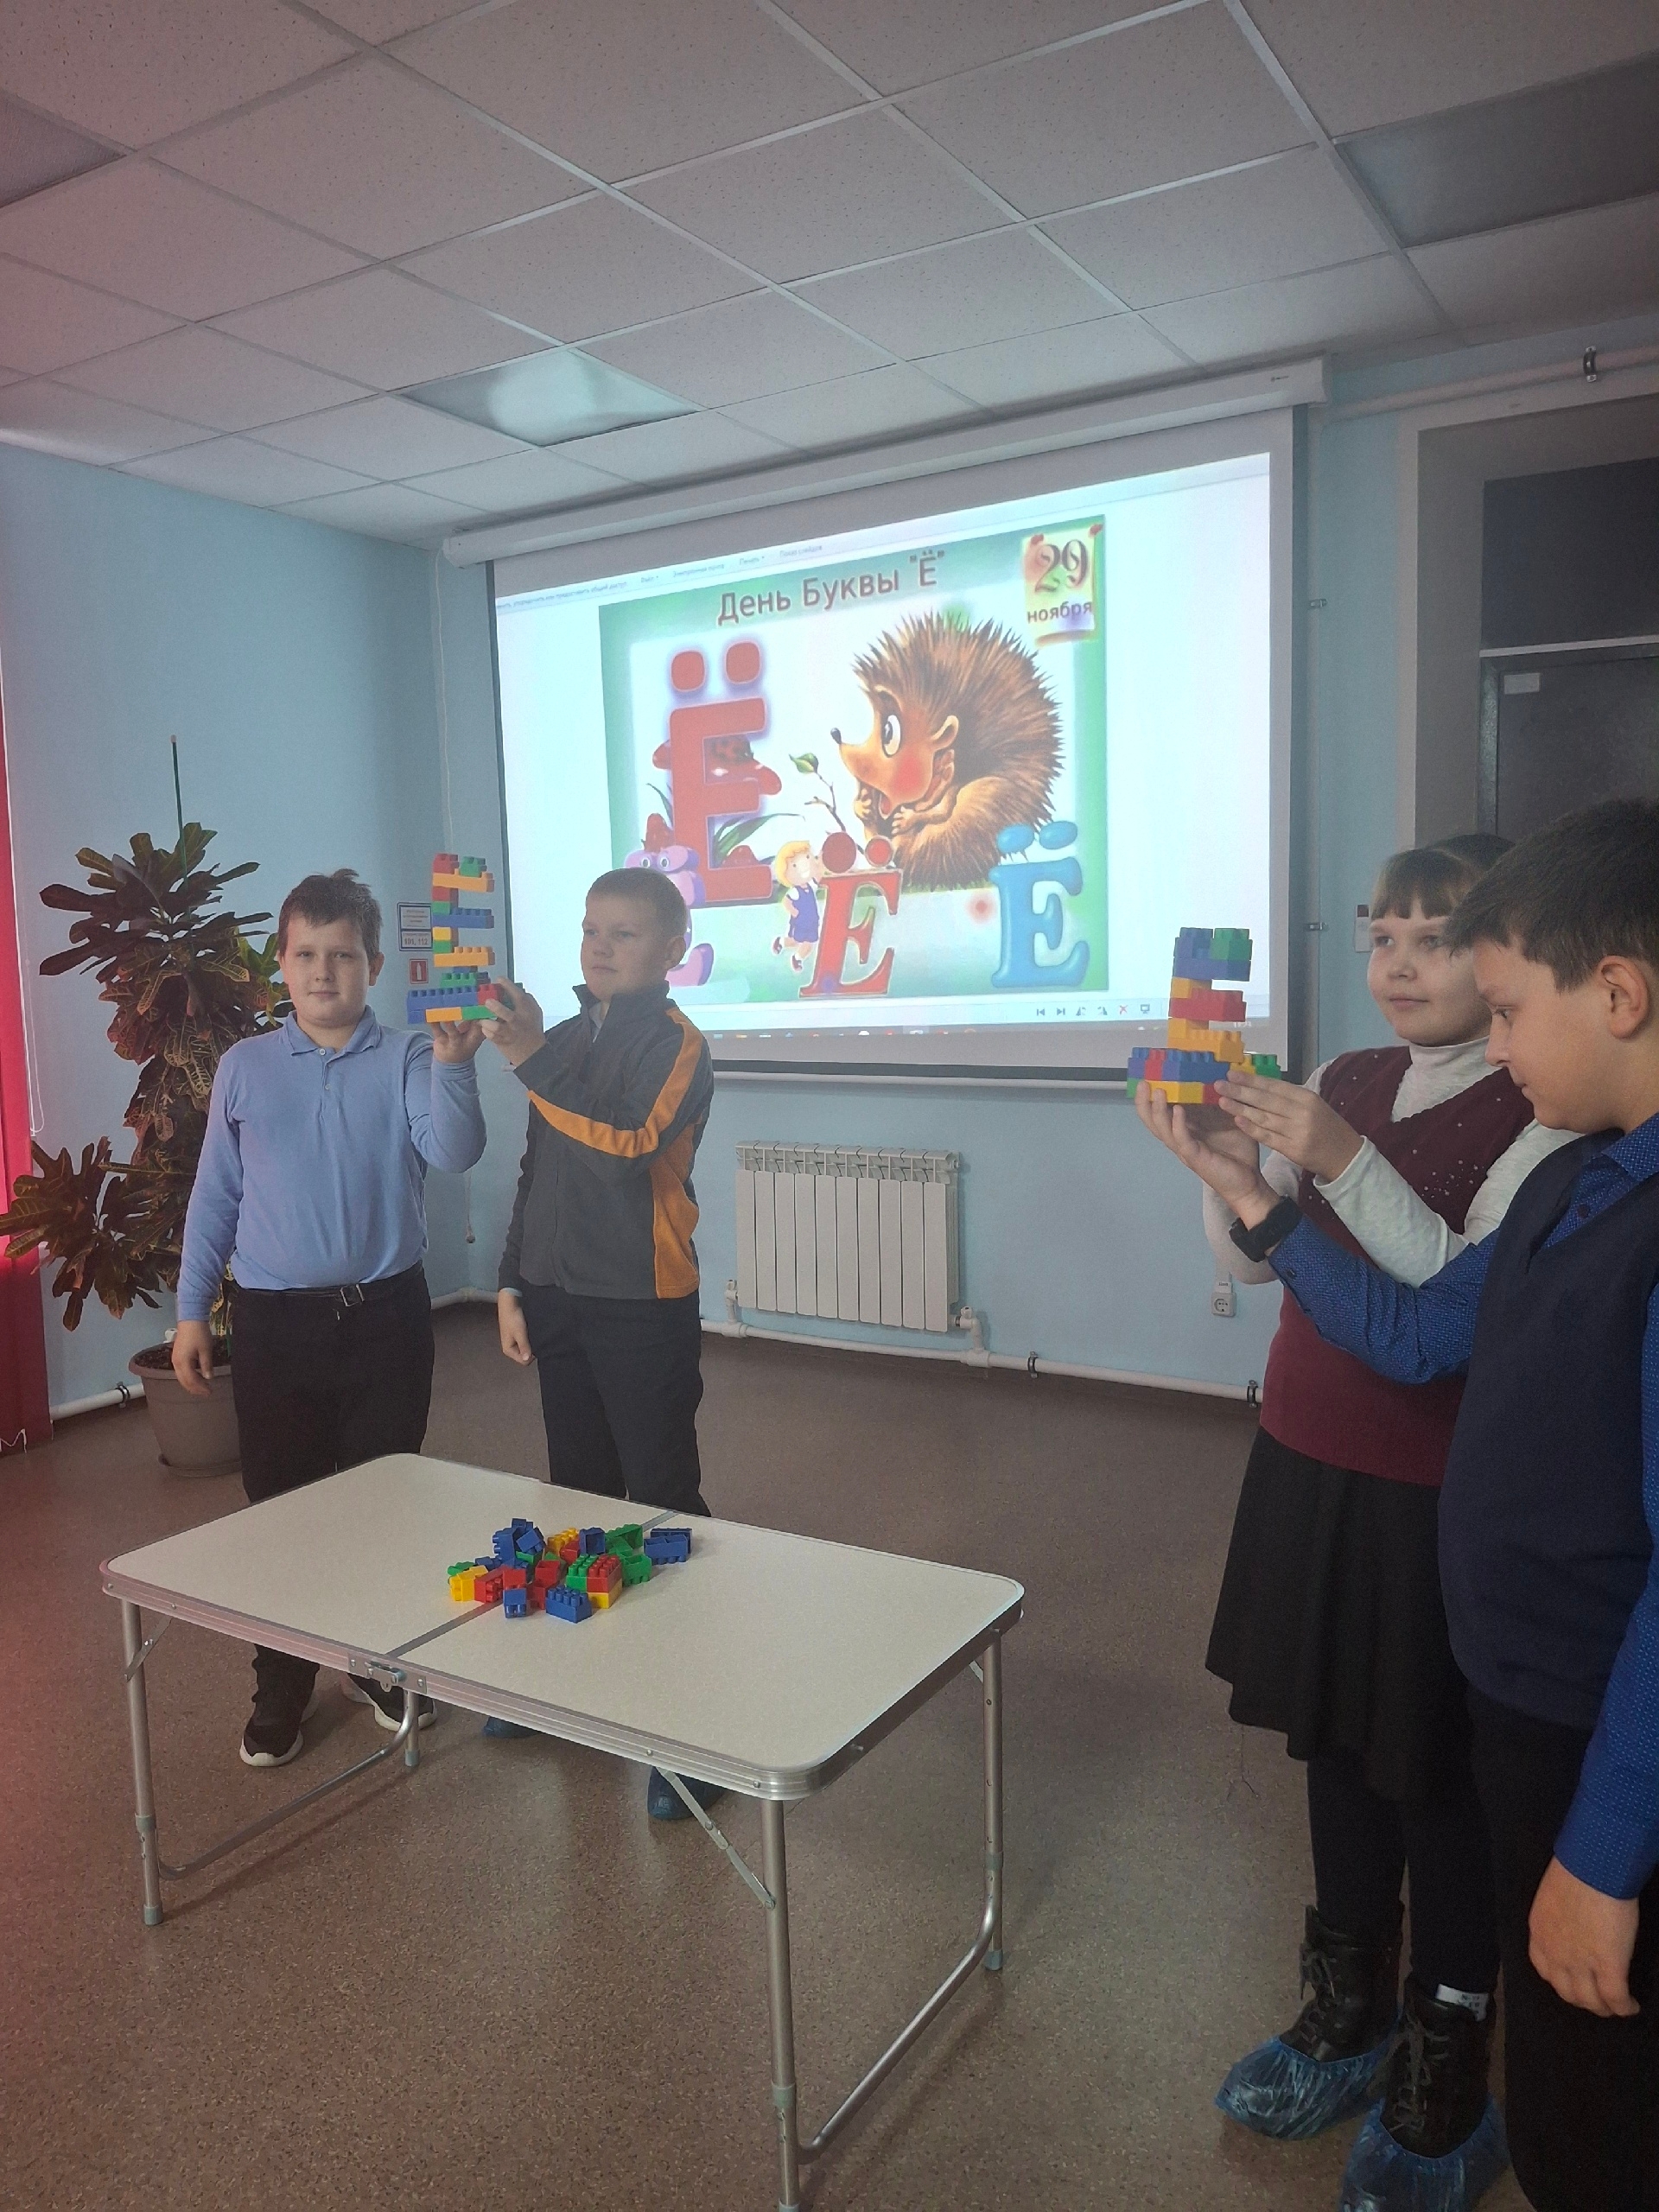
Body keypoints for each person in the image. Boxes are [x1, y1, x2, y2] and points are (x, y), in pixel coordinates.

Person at [1157, 798, 1659, 2212]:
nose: (1488, 1037)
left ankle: (1449, 2045)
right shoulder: (1496, 1126)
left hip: (1493, 1576)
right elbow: (1394, 1310)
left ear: (1608, 992)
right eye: (1383, 939)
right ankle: (1354, 2006)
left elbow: (1432, 1325)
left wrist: (1328, 1160)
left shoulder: (1554, 1140)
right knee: (1344, 1742)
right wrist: (1236, 1184)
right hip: (1366, 1508)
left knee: (1444, 1787)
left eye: (1494, 992)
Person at [174, 869, 487, 1770]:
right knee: (281, 1513)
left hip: (387, 1320)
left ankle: (376, 1661)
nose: (323, 971)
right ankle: (281, 1682)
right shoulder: (245, 1068)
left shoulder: (411, 1056)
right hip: (276, 1328)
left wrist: (457, 1063)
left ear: (374, 965)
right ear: (281, 962)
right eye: (306, 953)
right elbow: (215, 1197)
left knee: (385, 1505)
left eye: (342, 955)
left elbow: (455, 1148)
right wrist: (193, 1310)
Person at [482, 866, 716, 1821]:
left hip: (641, 1303)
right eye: (590, 929)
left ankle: (690, 1737)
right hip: (558, 1298)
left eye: (624, 932)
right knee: (575, 1495)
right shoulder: (569, 1038)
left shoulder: (677, 1044)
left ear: (672, 950)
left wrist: (532, 1055)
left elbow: (625, 1142)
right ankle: (576, 1692)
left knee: (660, 1502)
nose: (601, 946)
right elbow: (538, 1168)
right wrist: (512, 1278)